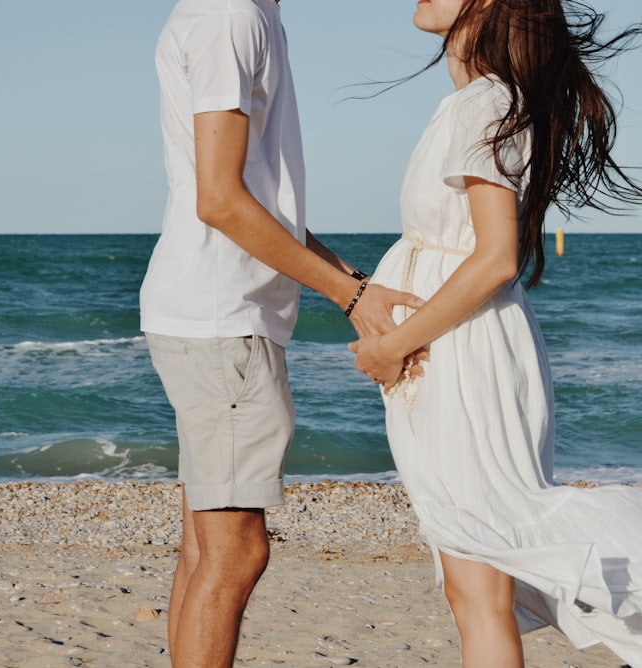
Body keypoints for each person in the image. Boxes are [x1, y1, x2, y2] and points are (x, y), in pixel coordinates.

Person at [350, 1, 642, 667]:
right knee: (472, 579)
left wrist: (392, 345)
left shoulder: (484, 105)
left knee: (481, 575)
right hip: (454, 346)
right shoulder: (476, 103)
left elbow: (495, 258)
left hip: (461, 352)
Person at [139, 1, 423, 666]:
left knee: (208, 549)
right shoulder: (232, 14)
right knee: (236, 552)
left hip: (212, 313)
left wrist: (354, 287)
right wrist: (345, 291)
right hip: (222, 319)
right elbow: (220, 199)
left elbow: (261, 206)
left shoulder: (239, 11)